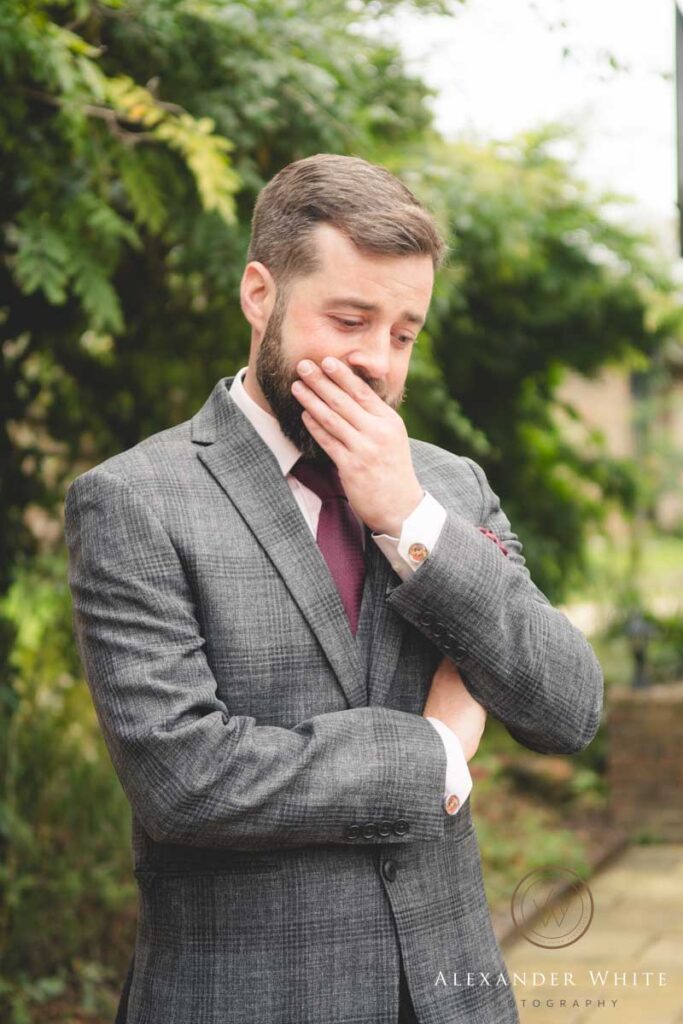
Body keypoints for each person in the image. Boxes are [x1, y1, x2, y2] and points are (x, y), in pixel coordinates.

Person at [64, 153, 604, 1024]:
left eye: (403, 334)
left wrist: (412, 522)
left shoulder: (450, 488)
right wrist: (436, 752)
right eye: (349, 320)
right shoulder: (133, 500)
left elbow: (567, 708)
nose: (379, 365)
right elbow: (185, 780)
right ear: (258, 295)